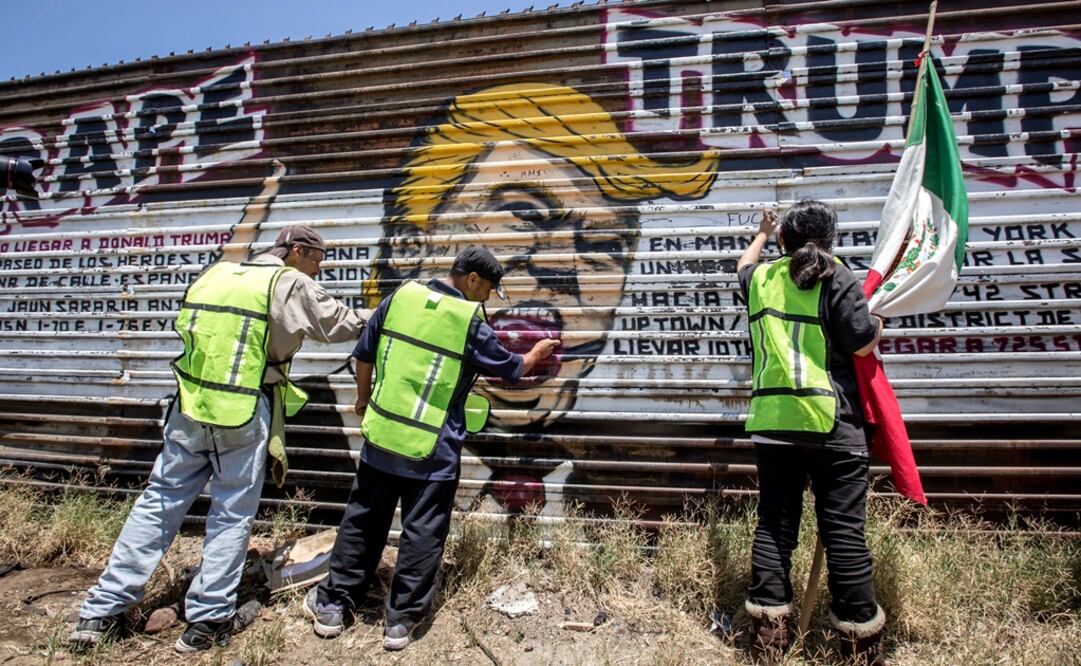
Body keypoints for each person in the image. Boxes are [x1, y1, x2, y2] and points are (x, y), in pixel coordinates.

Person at [69, 225, 370, 653]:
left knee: (158, 503)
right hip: (243, 410)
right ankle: (208, 621)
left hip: (189, 406)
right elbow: (341, 324)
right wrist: (386, 315)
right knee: (230, 514)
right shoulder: (287, 282)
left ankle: (100, 613)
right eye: (317, 260)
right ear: (297, 251)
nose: (319, 270)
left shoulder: (218, 272)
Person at [305, 246, 560, 650]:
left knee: (363, 521)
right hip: (432, 450)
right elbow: (510, 370)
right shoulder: (466, 322)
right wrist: (536, 353)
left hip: (383, 437)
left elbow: (364, 353)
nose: (489, 299)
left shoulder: (400, 297)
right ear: (472, 279)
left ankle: (334, 605)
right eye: (489, 289)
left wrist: (362, 398)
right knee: (423, 531)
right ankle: (400, 621)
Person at [736, 201, 886, 665]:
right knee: (843, 534)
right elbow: (862, 341)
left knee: (775, 529)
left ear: (784, 241)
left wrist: (761, 233)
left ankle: (768, 641)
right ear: (831, 240)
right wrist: (877, 323)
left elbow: (743, 265)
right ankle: (859, 647)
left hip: (774, 425)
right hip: (832, 427)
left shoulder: (761, 279)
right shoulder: (840, 279)